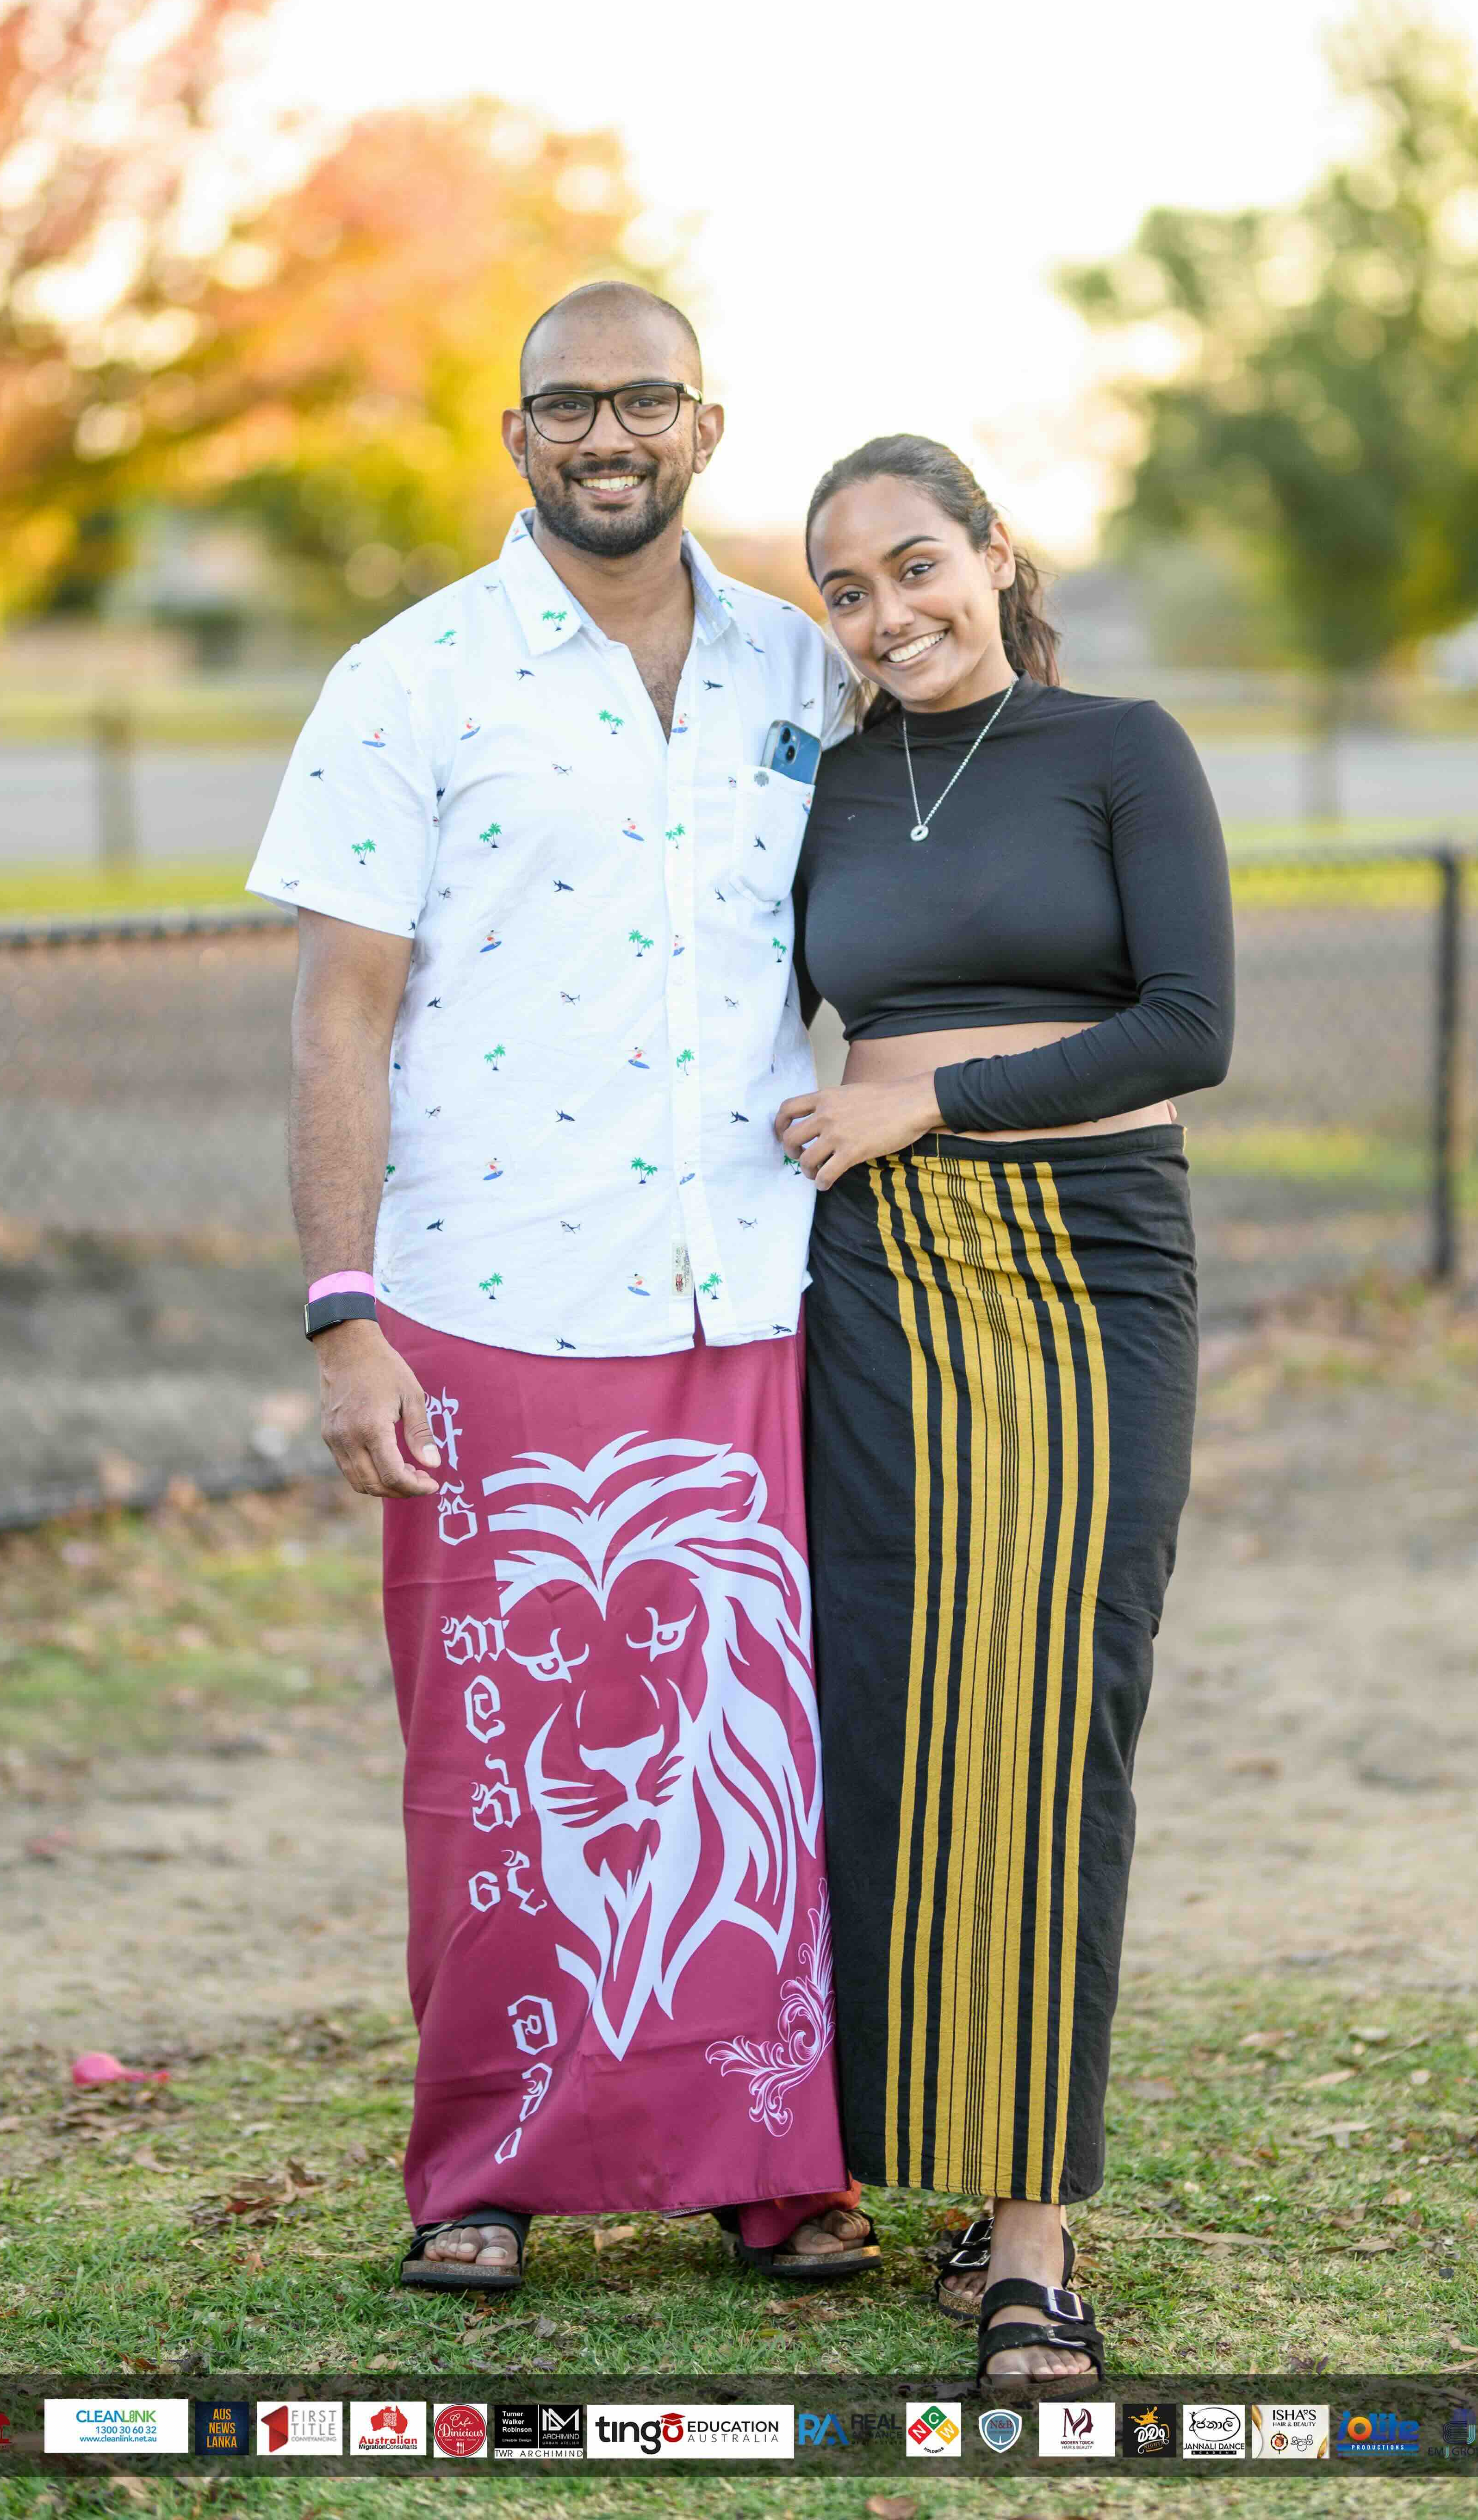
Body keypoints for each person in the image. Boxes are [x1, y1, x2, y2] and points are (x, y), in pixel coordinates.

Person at [246, 283, 874, 2292]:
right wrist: (344, 1311)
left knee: (757, 1749)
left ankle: (773, 2166)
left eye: (645, 402)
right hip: (488, 1300)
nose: (609, 435)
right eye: (569, 406)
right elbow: (342, 1016)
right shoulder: (410, 679)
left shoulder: (804, 669)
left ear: (705, 425)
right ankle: (487, 2174)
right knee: (502, 1759)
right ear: (519, 436)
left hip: (753, 1301)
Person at [776, 434, 1234, 2392]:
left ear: (992, 554)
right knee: (889, 1703)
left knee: (1061, 1703)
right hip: (879, 1273)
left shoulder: (1121, 745)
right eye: (849, 596)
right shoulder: (820, 784)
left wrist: (929, 1100)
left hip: (1086, 1255)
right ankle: (919, 2169)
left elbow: (1188, 1024)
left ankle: (1035, 2233)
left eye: (915, 566)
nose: (891, 617)